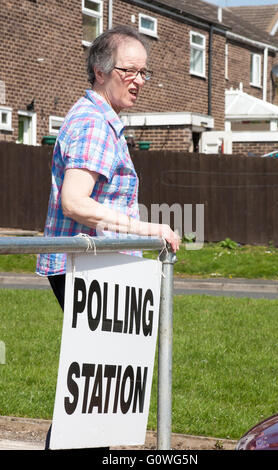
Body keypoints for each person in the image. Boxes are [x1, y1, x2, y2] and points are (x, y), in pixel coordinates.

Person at [36, 24, 180, 449]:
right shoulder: (95, 123)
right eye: (129, 71)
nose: (139, 81)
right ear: (100, 71)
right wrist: (149, 228)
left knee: (99, 395)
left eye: (144, 73)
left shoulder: (98, 118)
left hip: (97, 268)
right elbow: (75, 202)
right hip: (84, 269)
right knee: (97, 398)